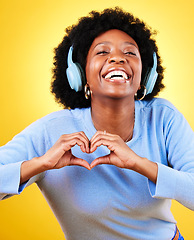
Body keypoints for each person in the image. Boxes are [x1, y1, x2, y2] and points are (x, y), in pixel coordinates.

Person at [0, 7, 193, 240]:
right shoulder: (51, 131)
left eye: (130, 53)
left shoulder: (163, 118)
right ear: (80, 75)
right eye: (102, 52)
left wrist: (139, 163)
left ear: (146, 76)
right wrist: (40, 163)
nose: (117, 58)